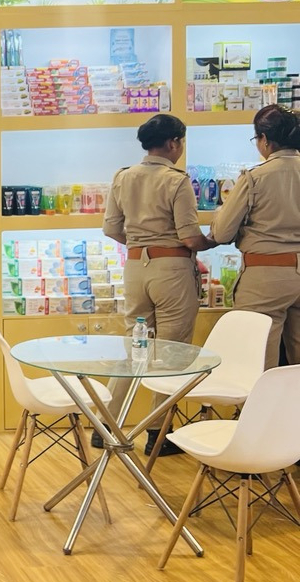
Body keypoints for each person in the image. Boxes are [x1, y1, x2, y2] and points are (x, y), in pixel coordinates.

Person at [103, 113, 213, 452]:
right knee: (171, 350)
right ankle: (158, 433)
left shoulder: (122, 177)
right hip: (172, 270)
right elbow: (189, 237)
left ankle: (107, 424)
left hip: (135, 268)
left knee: (133, 346)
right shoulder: (177, 180)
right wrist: (214, 239)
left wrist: (142, 245)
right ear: (173, 143)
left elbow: (110, 228)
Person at [210, 103, 300, 367]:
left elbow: (223, 232)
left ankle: (264, 409)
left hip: (266, 276)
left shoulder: (255, 177)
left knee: (258, 358)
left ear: (265, 140)